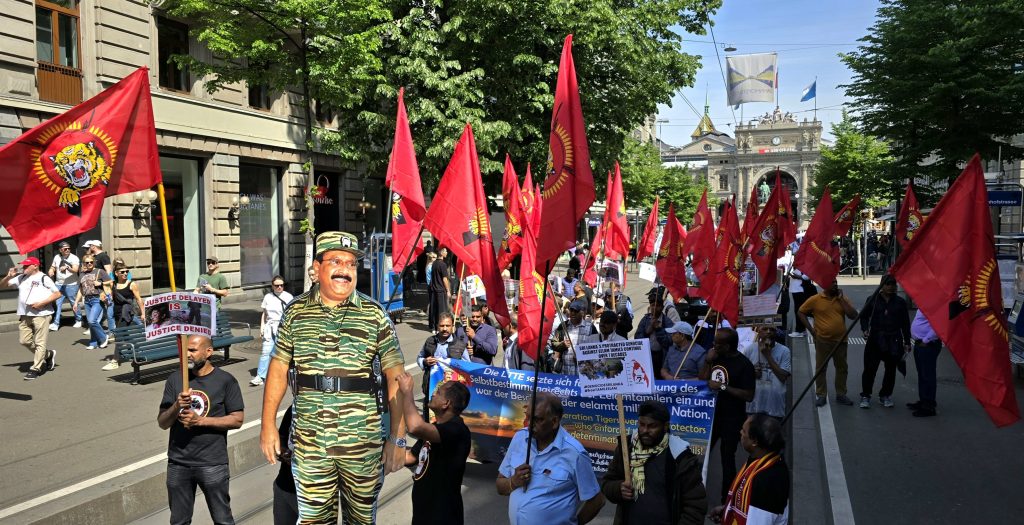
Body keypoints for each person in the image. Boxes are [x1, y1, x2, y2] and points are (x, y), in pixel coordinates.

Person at [259, 231, 407, 524]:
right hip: (310, 444)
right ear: (316, 268)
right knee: (313, 521)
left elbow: (396, 377)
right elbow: (277, 368)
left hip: (362, 445)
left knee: (361, 521)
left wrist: (398, 438)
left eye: (351, 264)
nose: (345, 270)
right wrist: (267, 426)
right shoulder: (295, 312)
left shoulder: (375, 314)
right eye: (336, 261)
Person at [157, 335, 244, 525]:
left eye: (193, 350)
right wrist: (176, 406)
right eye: (185, 350)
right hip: (178, 463)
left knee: (222, 520)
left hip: (212, 463)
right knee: (179, 521)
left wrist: (201, 421)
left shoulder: (226, 381)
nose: (187, 354)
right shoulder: (175, 379)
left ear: (208, 352)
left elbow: (237, 419)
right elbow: (163, 422)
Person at [497, 392, 605, 524]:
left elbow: (597, 500)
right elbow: (500, 485)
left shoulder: (575, 454)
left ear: (554, 422)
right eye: (528, 417)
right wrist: (513, 482)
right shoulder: (519, 438)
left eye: (537, 419)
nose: (529, 424)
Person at [601, 400, 708, 525]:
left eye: (652, 426)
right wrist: (619, 489)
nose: (645, 430)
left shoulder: (680, 457)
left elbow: (695, 506)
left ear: (665, 426)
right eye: (641, 424)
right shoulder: (626, 448)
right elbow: (607, 484)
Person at [397, 375, 472, 525]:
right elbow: (411, 457)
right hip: (423, 514)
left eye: (438, 392)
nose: (433, 394)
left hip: (443, 516)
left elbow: (415, 427)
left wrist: (407, 392)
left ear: (446, 403)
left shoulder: (456, 429)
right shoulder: (434, 429)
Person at [699, 328, 756, 503]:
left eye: (717, 344)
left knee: (727, 458)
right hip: (711, 415)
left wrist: (723, 387)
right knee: (700, 453)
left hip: (732, 419)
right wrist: (708, 361)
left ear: (728, 346)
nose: (714, 345)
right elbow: (703, 379)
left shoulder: (744, 365)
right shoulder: (715, 358)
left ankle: (727, 499)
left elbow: (749, 395)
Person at [710, 415, 790, 524]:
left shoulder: (768, 480)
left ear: (755, 441)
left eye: (744, 431)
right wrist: (728, 510)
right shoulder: (762, 461)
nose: (740, 433)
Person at [798, 278, 858, 407]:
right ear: (825, 285)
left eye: (836, 282)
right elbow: (801, 312)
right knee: (821, 369)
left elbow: (853, 315)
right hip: (822, 340)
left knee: (842, 368)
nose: (835, 284)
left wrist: (841, 300)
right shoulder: (815, 299)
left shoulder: (843, 298)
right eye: (832, 282)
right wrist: (811, 331)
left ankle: (841, 394)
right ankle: (821, 395)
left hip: (841, 340)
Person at [858, 275, 911, 409]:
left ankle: (885, 395)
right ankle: (866, 395)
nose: (891, 287)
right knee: (870, 369)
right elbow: (864, 317)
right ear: (882, 285)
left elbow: (905, 323)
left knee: (890, 370)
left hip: (894, 340)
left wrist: (907, 342)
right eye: (888, 284)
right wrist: (865, 329)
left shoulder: (900, 302)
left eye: (893, 284)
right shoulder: (872, 299)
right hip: (875, 339)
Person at [3, 258, 61, 380]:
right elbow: (2, 286)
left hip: (42, 314)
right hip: (25, 315)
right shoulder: (21, 277)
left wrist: (41, 303)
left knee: (40, 342)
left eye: (26, 266)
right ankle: (48, 354)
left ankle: (35, 368)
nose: (24, 268)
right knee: (24, 341)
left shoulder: (44, 278)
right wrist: (8, 276)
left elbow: (57, 294)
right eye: (23, 266)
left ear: (35, 266)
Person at [418, 312, 468, 413]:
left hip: (451, 393)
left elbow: (467, 367)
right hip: (431, 389)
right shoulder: (430, 341)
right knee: (430, 418)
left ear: (452, 326)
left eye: (447, 326)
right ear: (437, 326)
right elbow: (420, 357)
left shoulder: (460, 345)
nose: (445, 329)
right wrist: (425, 361)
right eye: (442, 325)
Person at [741, 325, 791, 420]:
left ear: (776, 332)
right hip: (754, 405)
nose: (768, 332)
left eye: (772, 329)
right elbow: (742, 376)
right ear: (758, 332)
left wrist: (767, 355)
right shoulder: (749, 349)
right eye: (764, 329)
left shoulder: (784, 351)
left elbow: (783, 377)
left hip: (774, 405)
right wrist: (752, 374)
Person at [251, 276, 294, 386]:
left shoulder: (288, 297)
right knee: (266, 352)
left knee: (283, 353)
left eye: (281, 285)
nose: (279, 287)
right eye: (277, 285)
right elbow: (265, 314)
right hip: (269, 327)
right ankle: (260, 376)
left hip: (282, 327)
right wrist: (262, 327)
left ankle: (286, 375)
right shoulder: (268, 297)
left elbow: (292, 314)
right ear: (272, 286)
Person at [103, 261, 146, 371]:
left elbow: (139, 299)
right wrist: (105, 300)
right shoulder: (113, 284)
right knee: (126, 335)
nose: (125, 273)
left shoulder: (131, 284)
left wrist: (143, 313)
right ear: (116, 273)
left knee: (119, 336)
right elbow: (111, 299)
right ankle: (138, 351)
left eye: (127, 271)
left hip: (126, 314)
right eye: (122, 272)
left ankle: (115, 361)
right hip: (117, 314)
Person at [73, 254, 112, 350]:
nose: (89, 264)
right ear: (84, 263)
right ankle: (93, 342)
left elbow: (111, 282)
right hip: (87, 300)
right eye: (87, 262)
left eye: (91, 262)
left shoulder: (100, 271)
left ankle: (103, 337)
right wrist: (76, 302)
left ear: (94, 262)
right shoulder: (82, 274)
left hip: (97, 299)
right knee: (91, 322)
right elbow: (81, 290)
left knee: (92, 320)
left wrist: (100, 283)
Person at [549, 299, 597, 374]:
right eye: (571, 310)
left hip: (583, 374)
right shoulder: (563, 326)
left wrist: (582, 355)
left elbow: (597, 350)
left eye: (576, 311)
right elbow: (553, 343)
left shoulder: (591, 328)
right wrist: (562, 345)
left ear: (583, 313)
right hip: (565, 372)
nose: (573, 313)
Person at [908, 310, 941, 417]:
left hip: (928, 344)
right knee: (922, 374)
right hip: (920, 343)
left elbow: (938, 324)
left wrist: (926, 340)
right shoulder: (923, 304)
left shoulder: (935, 305)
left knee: (927, 375)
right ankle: (924, 400)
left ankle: (928, 406)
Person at [635, 295, 674, 375]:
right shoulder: (645, 320)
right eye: (652, 305)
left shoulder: (667, 321)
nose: (654, 308)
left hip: (662, 356)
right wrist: (647, 332)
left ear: (662, 307)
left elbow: (669, 342)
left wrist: (658, 329)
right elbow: (637, 339)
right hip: (647, 355)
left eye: (657, 306)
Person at [48, 241, 81, 330]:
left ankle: (78, 319)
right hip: (59, 284)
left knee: (73, 302)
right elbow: (53, 266)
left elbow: (75, 269)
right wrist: (51, 270)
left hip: (71, 284)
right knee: (57, 303)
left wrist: (67, 267)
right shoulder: (57, 257)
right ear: (60, 250)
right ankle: (56, 323)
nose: (67, 250)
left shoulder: (74, 258)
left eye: (69, 248)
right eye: (65, 248)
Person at [83, 239, 115, 333]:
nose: (87, 249)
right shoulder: (93, 257)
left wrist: (106, 284)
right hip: (96, 287)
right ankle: (95, 326)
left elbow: (108, 271)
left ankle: (112, 330)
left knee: (109, 307)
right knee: (101, 307)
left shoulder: (103, 256)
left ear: (93, 246)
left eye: (89, 247)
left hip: (103, 286)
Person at [428, 246, 451, 331]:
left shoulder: (434, 263)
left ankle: (433, 327)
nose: (447, 253)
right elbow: (444, 279)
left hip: (434, 289)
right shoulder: (442, 264)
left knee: (434, 309)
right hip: (440, 290)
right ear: (441, 253)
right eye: (445, 251)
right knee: (441, 310)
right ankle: (439, 327)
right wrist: (448, 290)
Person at [788, 268, 815, 337]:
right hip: (795, 290)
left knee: (799, 310)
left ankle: (800, 330)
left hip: (800, 290)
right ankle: (801, 330)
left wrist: (798, 277)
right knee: (798, 310)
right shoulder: (796, 264)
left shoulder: (805, 263)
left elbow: (808, 276)